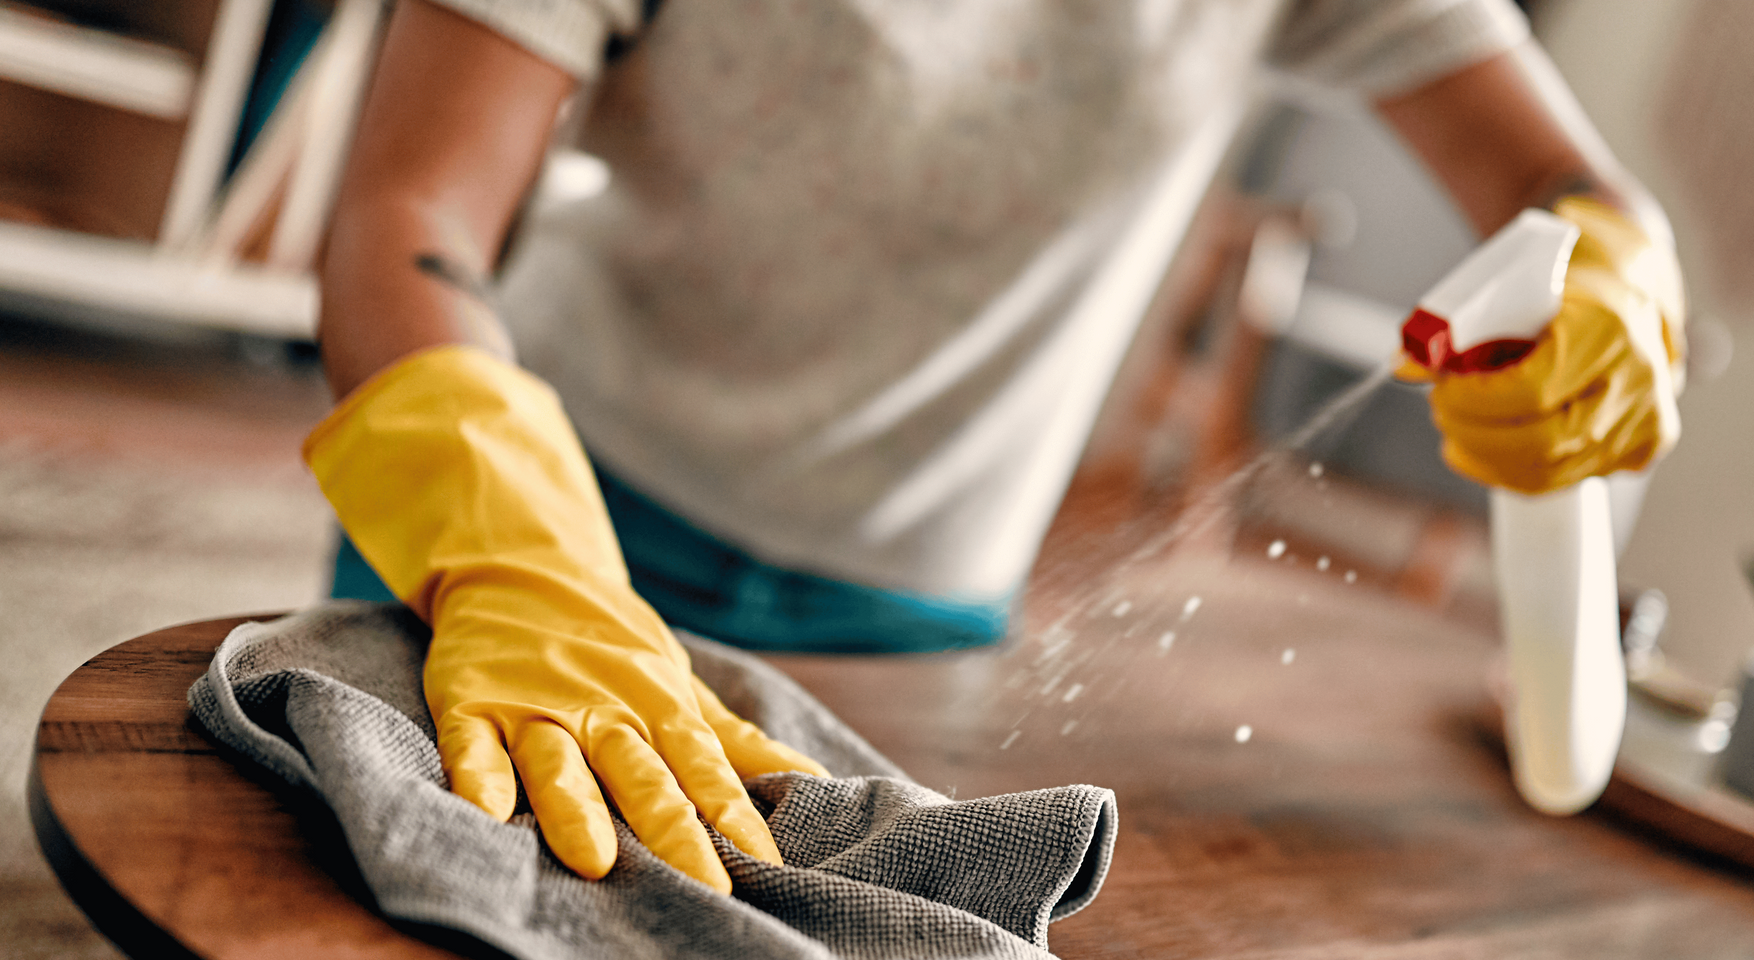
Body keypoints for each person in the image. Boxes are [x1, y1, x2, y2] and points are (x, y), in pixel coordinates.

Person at [309, 0, 1684, 892]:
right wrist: (517, 560)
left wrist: (1619, 273)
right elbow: (410, 206)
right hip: (524, 519)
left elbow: (1566, 184)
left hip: (914, 616)